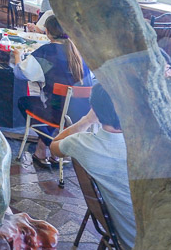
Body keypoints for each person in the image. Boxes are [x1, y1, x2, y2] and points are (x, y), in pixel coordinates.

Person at [52, 84, 136, 249]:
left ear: (95, 109)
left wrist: (87, 120)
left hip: (128, 237)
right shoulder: (147, 148)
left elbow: (54, 147)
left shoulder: (80, 143)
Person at [14, 15, 93, 168]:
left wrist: (18, 56)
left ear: (48, 32)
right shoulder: (80, 50)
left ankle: (55, 145)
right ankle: (42, 149)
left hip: (58, 112)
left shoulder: (46, 52)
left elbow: (20, 74)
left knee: (24, 102)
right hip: (83, 113)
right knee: (56, 99)